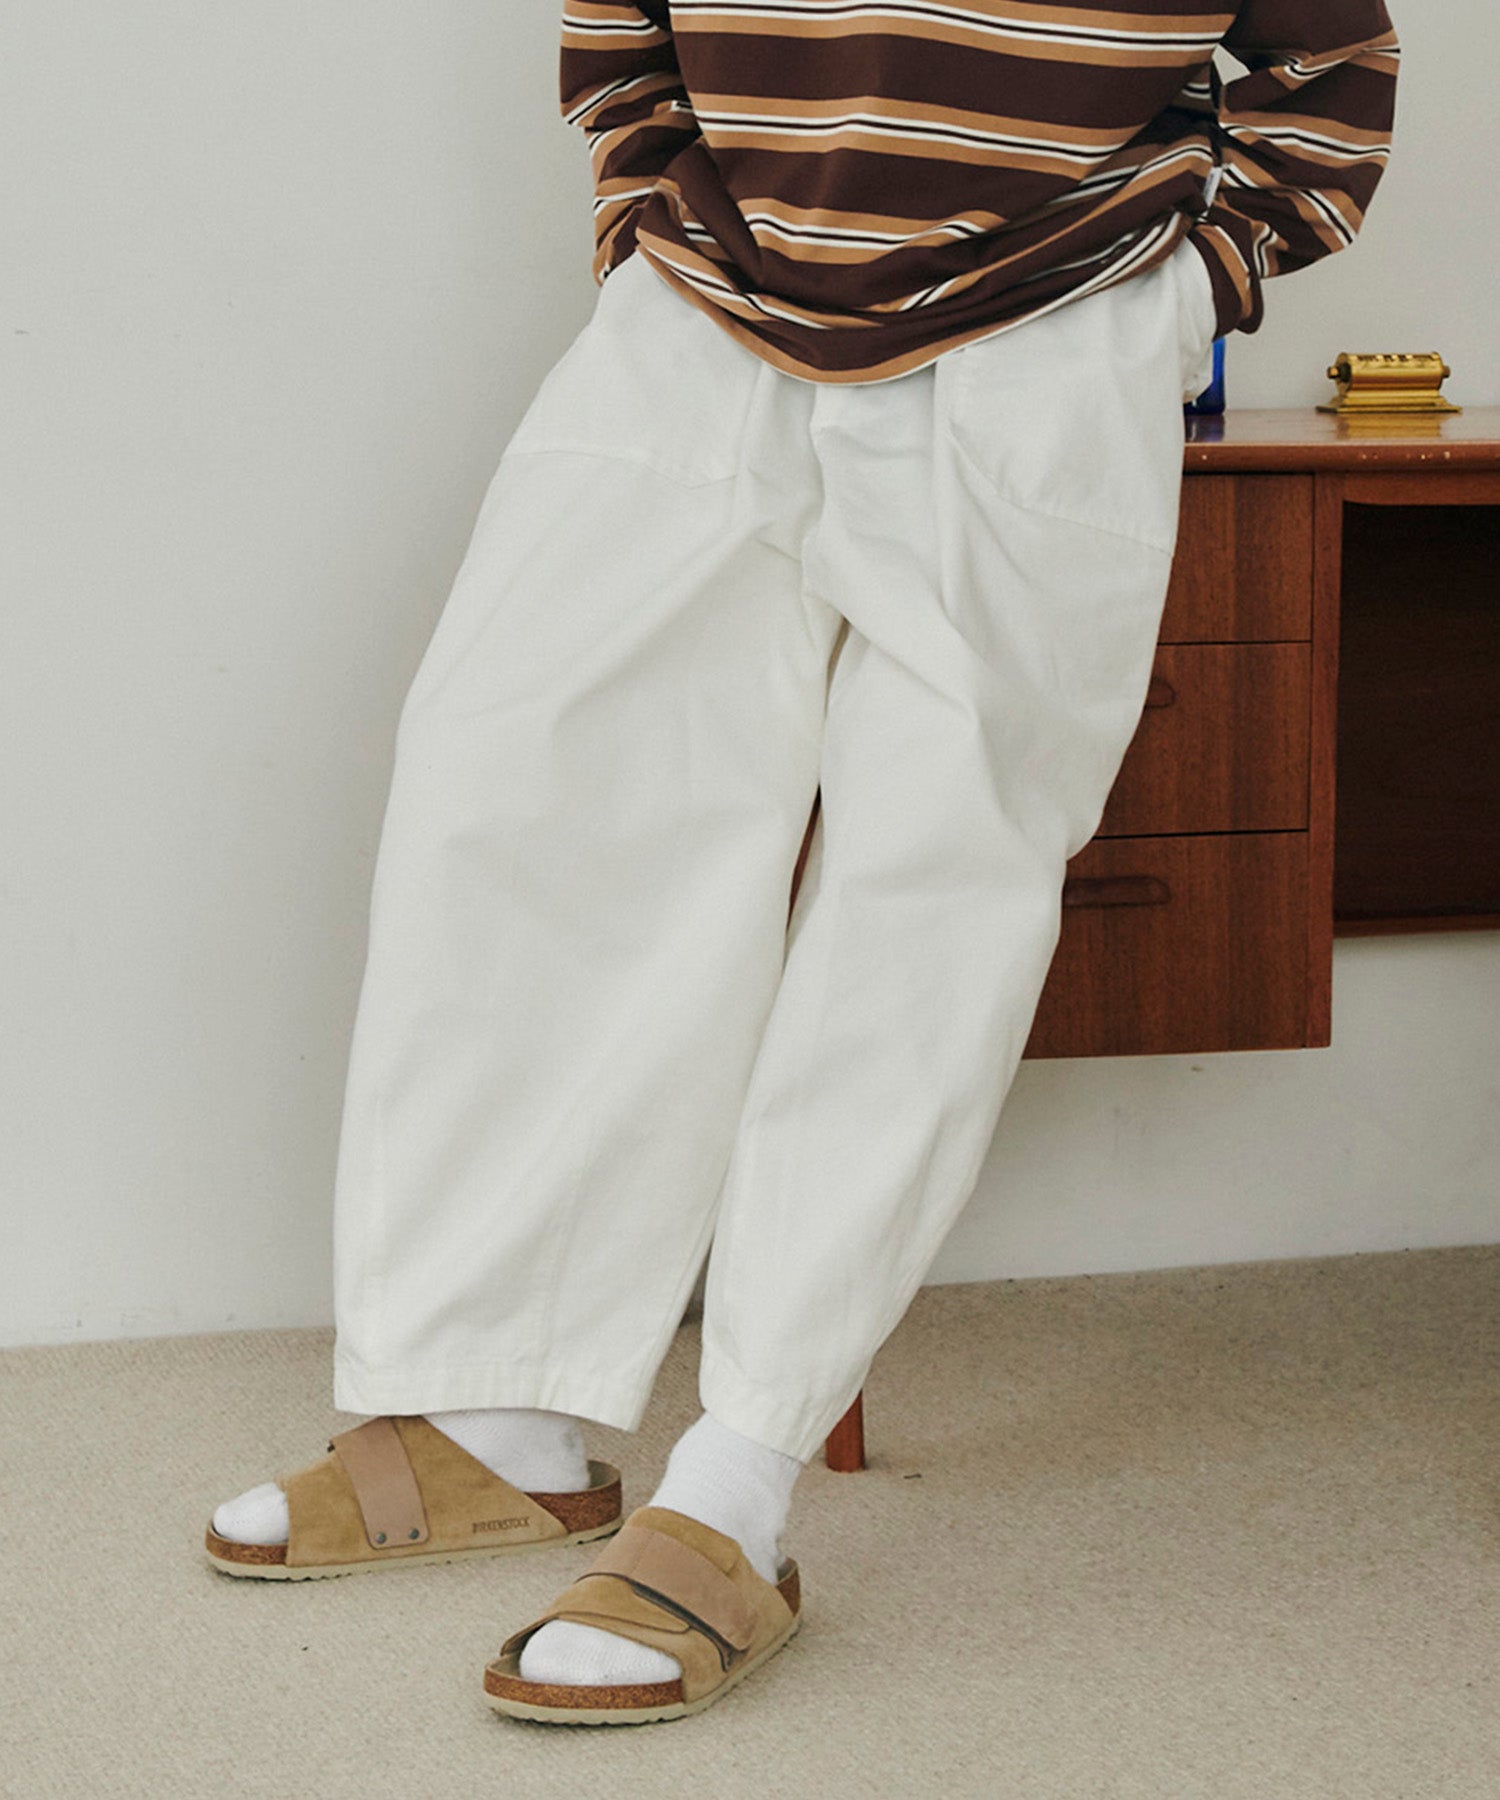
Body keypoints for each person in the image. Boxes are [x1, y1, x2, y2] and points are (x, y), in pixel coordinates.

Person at [205, 0, 1399, 1725]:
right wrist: (645, 217)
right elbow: (622, 28)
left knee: (929, 888)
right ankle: (496, 1415)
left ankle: (738, 1483)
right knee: (519, 785)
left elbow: (1331, 71)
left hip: (1052, 320)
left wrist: (1175, 291)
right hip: (706, 298)